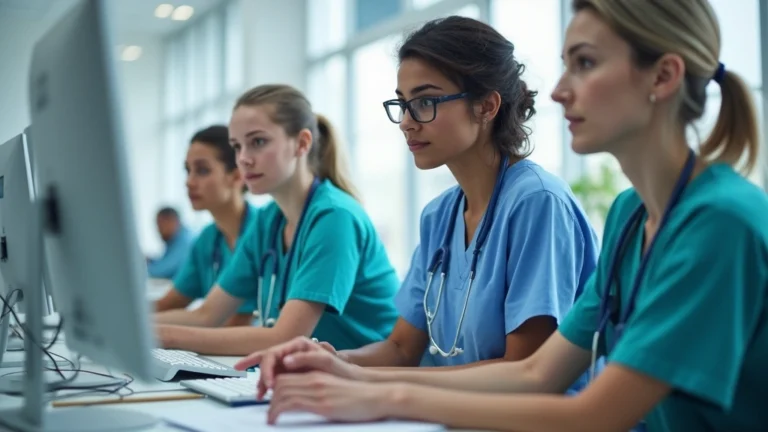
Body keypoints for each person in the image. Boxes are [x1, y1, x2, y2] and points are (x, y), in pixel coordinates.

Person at [234, 1, 768, 430]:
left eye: (584, 63)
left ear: (664, 76)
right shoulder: (632, 214)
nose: (557, 90)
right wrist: (344, 368)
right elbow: (536, 373)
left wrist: (377, 394)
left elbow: (588, 411)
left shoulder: (718, 222)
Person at [289, 16, 599, 391]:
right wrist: (332, 360)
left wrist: (361, 378)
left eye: (424, 102)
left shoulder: (538, 203)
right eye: (402, 105)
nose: (406, 122)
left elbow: (524, 371)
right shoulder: (439, 215)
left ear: (486, 106)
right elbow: (401, 348)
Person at [154, 84, 400, 356]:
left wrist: (164, 336)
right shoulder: (269, 221)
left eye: (258, 142)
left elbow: (286, 337)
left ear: (302, 143)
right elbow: (207, 315)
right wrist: (137, 329)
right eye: (237, 146)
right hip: (310, 377)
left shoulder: (335, 217)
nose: (244, 159)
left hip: (370, 380)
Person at [154, 125, 258, 327]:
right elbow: (168, 304)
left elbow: (234, 323)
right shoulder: (207, 240)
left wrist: (139, 324)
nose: (189, 182)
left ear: (237, 176)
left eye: (202, 170)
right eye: (187, 170)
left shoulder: (262, 231)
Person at [146, 206, 194, 279]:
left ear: (172, 221)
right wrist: (152, 261)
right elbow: (166, 261)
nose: (159, 230)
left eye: (161, 225)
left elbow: (162, 271)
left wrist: (137, 268)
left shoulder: (185, 242)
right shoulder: (174, 239)